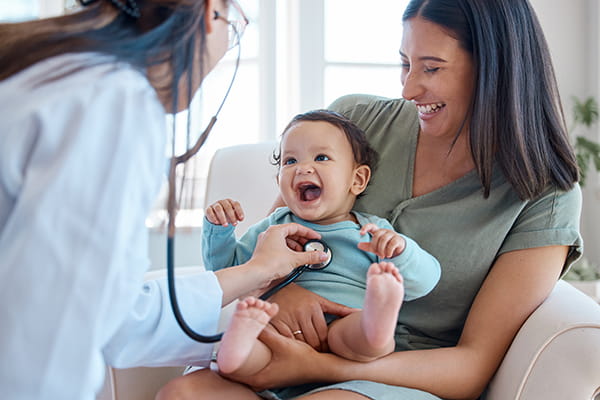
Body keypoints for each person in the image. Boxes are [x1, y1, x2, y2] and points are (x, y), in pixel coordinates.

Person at [156, 0, 583, 399]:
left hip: (395, 375)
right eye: (404, 63)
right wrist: (285, 294)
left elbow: (472, 366)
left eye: (431, 69)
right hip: (287, 345)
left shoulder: (545, 194)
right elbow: (279, 241)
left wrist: (321, 367)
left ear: (495, 70)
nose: (409, 88)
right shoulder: (355, 122)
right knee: (182, 394)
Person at [0, 1, 330, 399]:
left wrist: (258, 271)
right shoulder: (112, 101)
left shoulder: (49, 70)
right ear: (211, 14)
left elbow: (108, 313)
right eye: (235, 26)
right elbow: (55, 338)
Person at [200, 110, 441, 376]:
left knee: (363, 338)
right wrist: (220, 230)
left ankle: (378, 319)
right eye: (290, 160)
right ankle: (237, 348)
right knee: (256, 350)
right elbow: (228, 271)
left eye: (322, 157)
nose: (302, 167)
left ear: (357, 180)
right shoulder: (273, 227)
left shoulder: (371, 231)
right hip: (278, 328)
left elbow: (425, 282)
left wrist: (400, 251)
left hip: (345, 321)